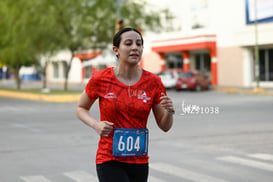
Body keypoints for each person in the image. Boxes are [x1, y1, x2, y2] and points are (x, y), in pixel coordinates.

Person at [76, 27, 174, 182]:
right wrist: (96, 125)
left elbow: (165, 126)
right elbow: (81, 108)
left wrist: (169, 112)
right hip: (109, 158)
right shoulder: (101, 79)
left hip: (139, 160)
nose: (135, 47)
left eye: (139, 44)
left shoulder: (154, 82)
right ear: (116, 50)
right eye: (128, 43)